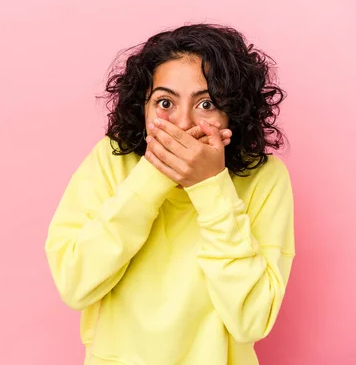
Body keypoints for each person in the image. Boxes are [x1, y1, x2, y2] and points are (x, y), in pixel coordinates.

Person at [44, 23, 295, 365]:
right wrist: (153, 177)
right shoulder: (111, 159)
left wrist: (210, 187)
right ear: (142, 106)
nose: (181, 123)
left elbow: (251, 320)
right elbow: (76, 284)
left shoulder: (264, 177)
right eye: (165, 102)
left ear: (231, 112)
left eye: (206, 104)